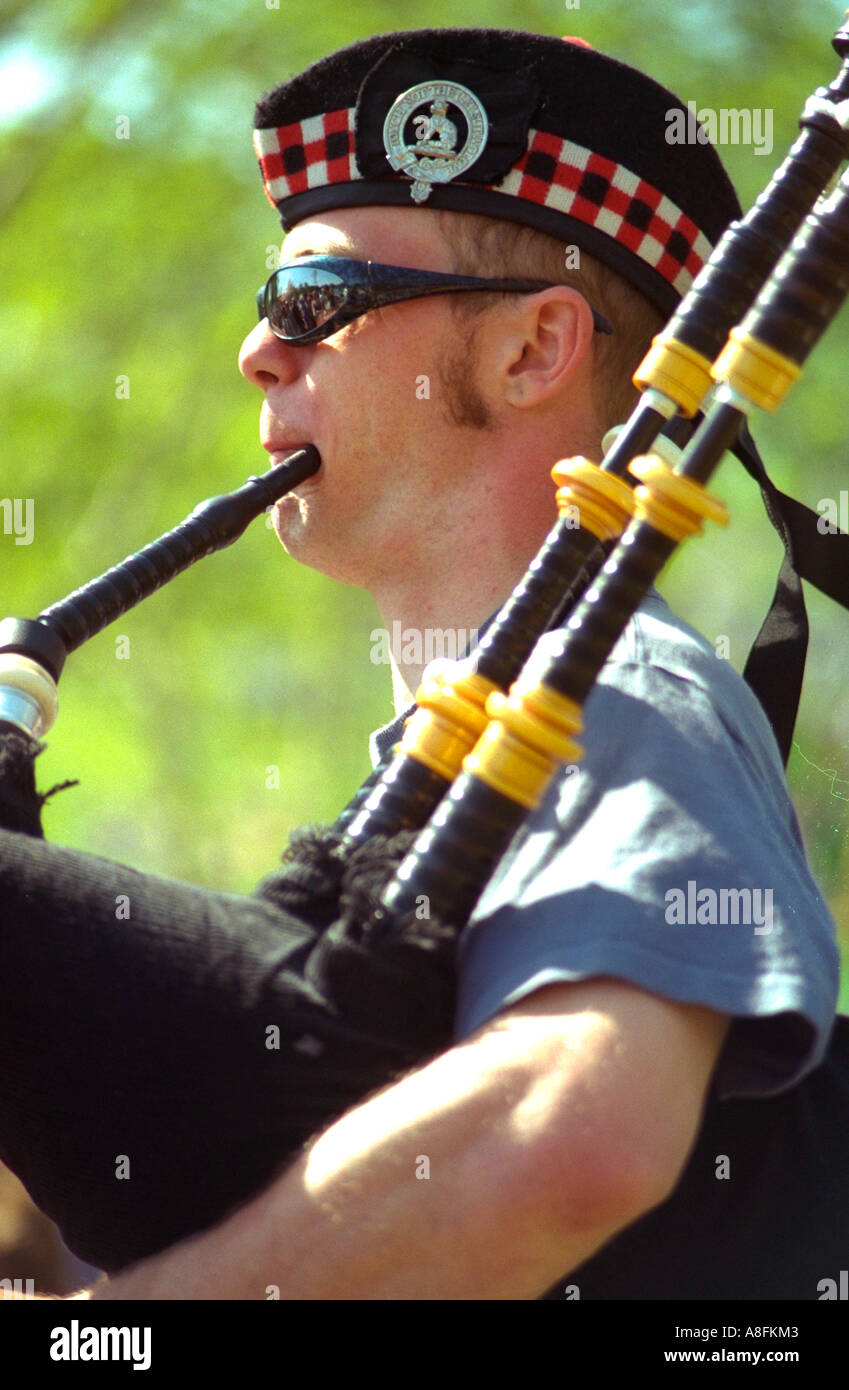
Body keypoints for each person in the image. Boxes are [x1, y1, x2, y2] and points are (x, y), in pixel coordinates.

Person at [4, 26, 848, 1301]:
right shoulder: (499, 729)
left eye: (317, 302)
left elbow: (577, 1132)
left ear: (528, 353)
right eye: (264, 306)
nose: (259, 350)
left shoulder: (618, 688)